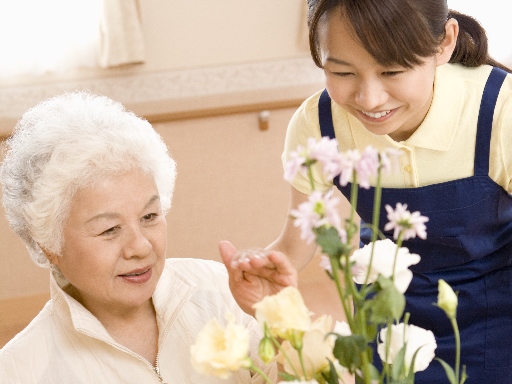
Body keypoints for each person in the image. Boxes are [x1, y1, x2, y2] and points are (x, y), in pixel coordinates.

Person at [220, 0, 512, 383]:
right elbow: (297, 241)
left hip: (498, 321)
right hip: (385, 324)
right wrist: (265, 276)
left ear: (444, 43)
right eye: (342, 71)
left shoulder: (498, 110)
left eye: (392, 70)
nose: (370, 99)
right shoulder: (319, 124)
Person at [0, 91, 279, 383]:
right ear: (49, 245)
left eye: (149, 217)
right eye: (109, 229)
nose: (141, 246)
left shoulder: (221, 290)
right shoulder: (21, 371)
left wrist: (284, 325)